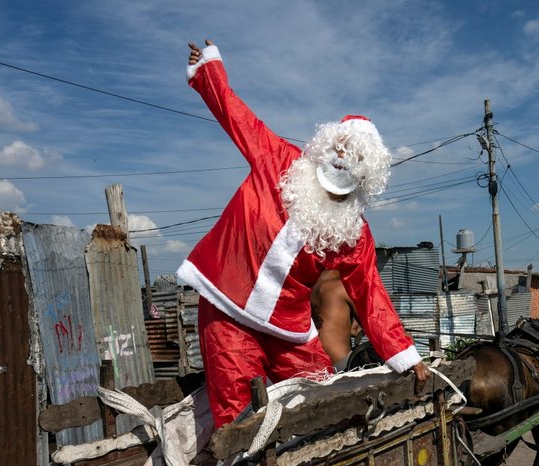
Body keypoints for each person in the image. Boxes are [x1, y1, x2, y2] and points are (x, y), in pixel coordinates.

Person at [177, 39, 428, 430]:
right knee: (241, 421)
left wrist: (406, 356)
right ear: (326, 146)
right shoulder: (278, 159)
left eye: (356, 157)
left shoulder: (354, 233)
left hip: (288, 327)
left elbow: (370, 295)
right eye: (341, 148)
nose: (344, 158)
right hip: (227, 308)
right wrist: (209, 69)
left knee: (324, 402)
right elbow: (234, 113)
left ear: (367, 175)